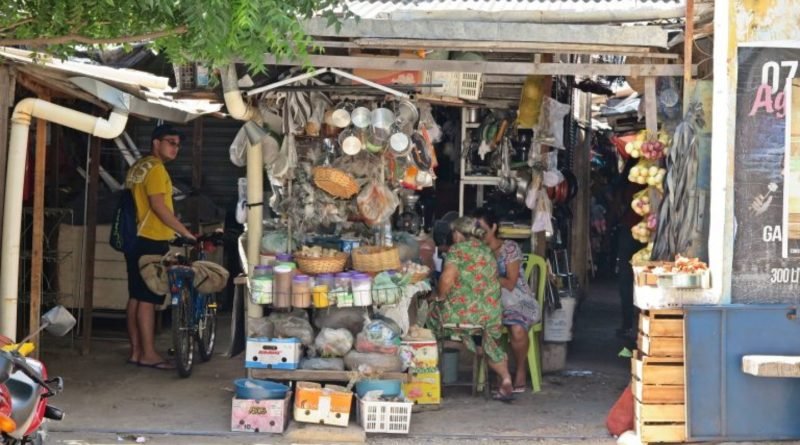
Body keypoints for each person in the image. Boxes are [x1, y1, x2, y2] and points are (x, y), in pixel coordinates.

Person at [125, 124, 195, 370]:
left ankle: (137, 351)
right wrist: (184, 232)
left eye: (178, 144)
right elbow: (158, 206)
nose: (175, 148)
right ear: (156, 142)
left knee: (135, 296)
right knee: (148, 298)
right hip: (150, 239)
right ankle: (149, 354)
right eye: (170, 142)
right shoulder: (156, 169)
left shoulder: (138, 167)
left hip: (133, 238)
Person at [427, 216, 515, 401]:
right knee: (490, 343)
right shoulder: (487, 251)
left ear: (458, 234)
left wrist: (438, 296)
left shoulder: (458, 251)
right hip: (490, 315)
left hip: (463, 315)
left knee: (429, 318)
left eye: (453, 233)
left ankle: (427, 373)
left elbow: (446, 280)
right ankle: (505, 378)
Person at [474, 207, 541, 393]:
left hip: (517, 301)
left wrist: (486, 276)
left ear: (493, 227)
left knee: (517, 330)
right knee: (485, 328)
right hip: (490, 303)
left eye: (482, 228)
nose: (478, 233)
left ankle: (520, 371)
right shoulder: (476, 250)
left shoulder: (509, 247)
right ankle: (501, 375)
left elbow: (511, 283)